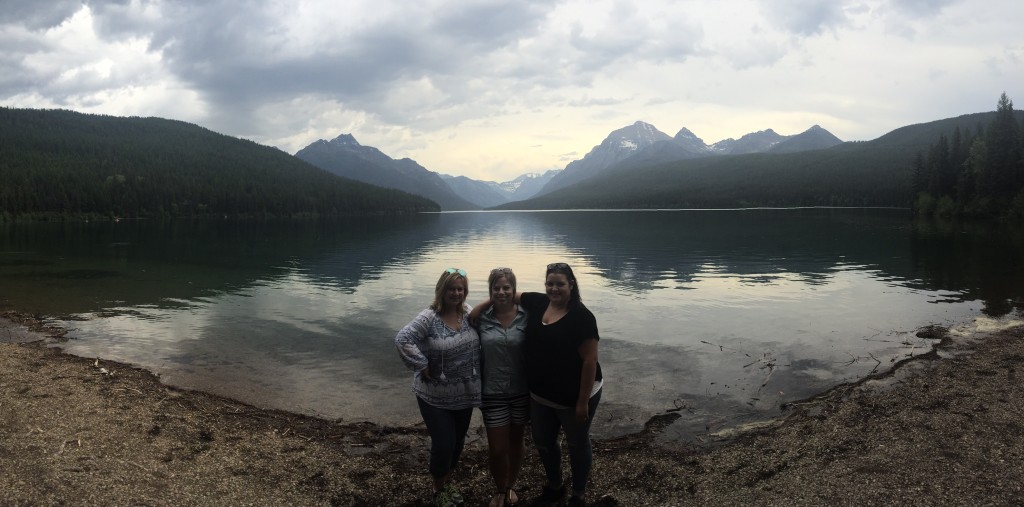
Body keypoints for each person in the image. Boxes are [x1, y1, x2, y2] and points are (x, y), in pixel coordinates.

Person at [471, 262, 603, 506]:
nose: (554, 288)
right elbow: (506, 295)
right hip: (540, 395)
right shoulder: (538, 302)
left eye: (560, 284)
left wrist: (582, 402)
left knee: (576, 443)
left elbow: (589, 362)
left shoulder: (582, 317)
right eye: (550, 283)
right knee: (544, 442)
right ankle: (555, 486)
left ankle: (578, 494)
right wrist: (480, 307)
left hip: (575, 395)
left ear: (571, 285)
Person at [395, 268, 482, 507]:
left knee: (457, 443)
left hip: (464, 394)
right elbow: (403, 339)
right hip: (433, 396)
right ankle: (438, 490)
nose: (456, 293)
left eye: (460, 289)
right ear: (442, 290)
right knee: (443, 443)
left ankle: (448, 481)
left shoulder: (467, 312)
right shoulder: (429, 316)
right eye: (452, 288)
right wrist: (421, 363)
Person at [476, 267, 529, 507]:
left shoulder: (527, 316)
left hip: (522, 391)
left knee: (516, 443)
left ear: (514, 290)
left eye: (506, 287)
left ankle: (509, 488)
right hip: (492, 393)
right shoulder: (480, 318)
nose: (501, 292)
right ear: (490, 291)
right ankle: (499, 488)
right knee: (498, 448)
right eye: (496, 288)